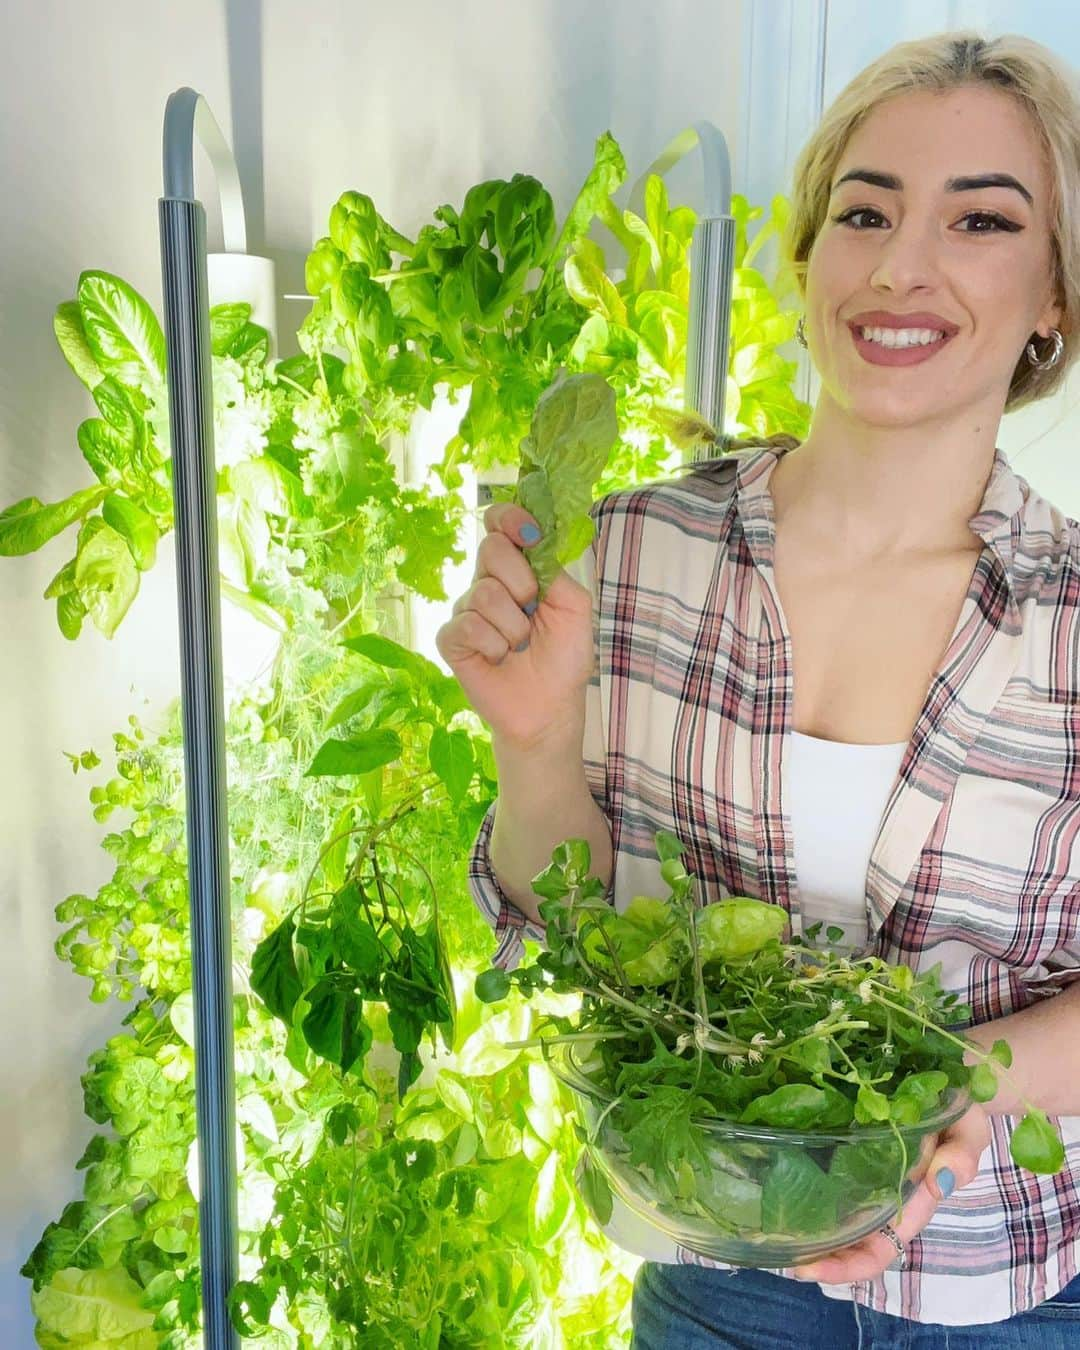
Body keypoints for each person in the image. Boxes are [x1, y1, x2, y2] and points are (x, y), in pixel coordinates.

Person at [436, 28, 1080, 1348]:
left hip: (1008, 1294)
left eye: (980, 221)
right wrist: (536, 744)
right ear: (806, 259)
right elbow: (571, 932)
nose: (903, 263)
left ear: (1054, 300)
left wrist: (963, 1087)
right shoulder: (628, 552)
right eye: (865, 209)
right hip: (715, 1274)